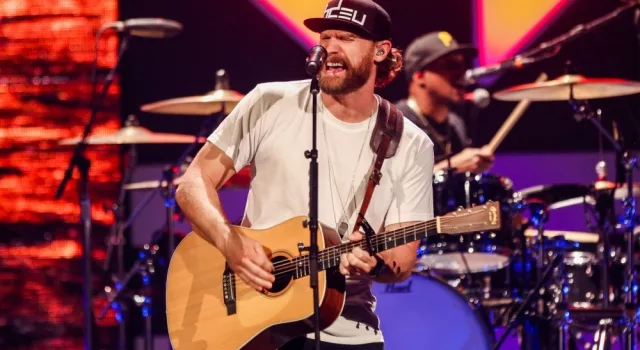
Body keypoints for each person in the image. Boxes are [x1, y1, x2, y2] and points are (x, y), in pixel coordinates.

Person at [174, 0, 434, 349]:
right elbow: (192, 184)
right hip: (252, 323)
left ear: (381, 51)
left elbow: (400, 262)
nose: (329, 47)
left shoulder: (409, 142)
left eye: (346, 38)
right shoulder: (269, 101)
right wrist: (230, 244)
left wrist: (372, 264)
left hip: (347, 330)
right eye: (325, 37)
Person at [396, 31, 494, 173]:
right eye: (450, 65)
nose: (462, 73)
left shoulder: (455, 124)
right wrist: (451, 168)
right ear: (419, 76)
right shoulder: (395, 124)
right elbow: (390, 189)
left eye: (462, 65)